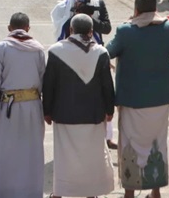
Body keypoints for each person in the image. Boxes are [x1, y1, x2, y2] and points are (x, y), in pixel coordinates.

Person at [107, 0, 169, 198]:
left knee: (130, 145)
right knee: (158, 143)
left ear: (136, 10)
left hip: (132, 99)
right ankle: (155, 192)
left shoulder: (126, 31)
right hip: (159, 98)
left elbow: (108, 52)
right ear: (155, 9)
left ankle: (130, 192)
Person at [44, 13, 115, 198]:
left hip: (64, 114)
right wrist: (110, 110)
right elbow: (107, 85)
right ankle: (91, 193)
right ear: (91, 31)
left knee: (64, 158)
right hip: (93, 114)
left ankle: (59, 193)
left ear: (71, 30)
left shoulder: (55, 51)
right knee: (92, 156)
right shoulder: (101, 52)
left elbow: (49, 84)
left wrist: (47, 111)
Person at [0, 12, 45, 198]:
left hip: (7, 108)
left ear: (9, 28)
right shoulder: (38, 49)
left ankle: (6, 193)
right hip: (33, 107)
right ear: (28, 28)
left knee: (7, 152)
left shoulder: (1, 48)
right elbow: (43, 80)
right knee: (31, 151)